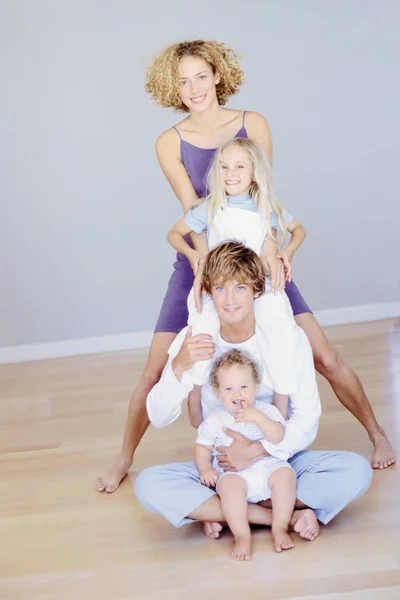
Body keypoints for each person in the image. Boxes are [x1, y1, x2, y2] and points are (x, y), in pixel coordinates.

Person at [96, 40, 394, 494]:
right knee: (157, 368)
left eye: (201, 76)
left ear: (217, 74)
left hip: (256, 264)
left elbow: (265, 199)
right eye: (182, 80)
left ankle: (377, 433)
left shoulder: (251, 123)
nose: (194, 88)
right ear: (171, 87)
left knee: (325, 358)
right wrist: (203, 267)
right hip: (201, 263)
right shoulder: (168, 142)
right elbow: (192, 209)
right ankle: (122, 459)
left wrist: (276, 254)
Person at [135, 242, 372, 543]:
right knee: (149, 485)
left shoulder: (288, 338)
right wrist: (179, 365)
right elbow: (157, 414)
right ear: (208, 292)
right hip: (223, 467)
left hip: (280, 461)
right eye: (220, 288)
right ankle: (278, 516)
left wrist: (258, 451)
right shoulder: (193, 339)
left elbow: (307, 419)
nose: (230, 300)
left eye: (240, 288)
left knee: (356, 471)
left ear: (256, 291)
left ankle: (224, 513)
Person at [167, 137, 306, 422]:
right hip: (220, 286)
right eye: (224, 167)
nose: (230, 174)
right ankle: (195, 393)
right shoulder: (210, 207)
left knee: (279, 325)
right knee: (203, 326)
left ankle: (282, 397)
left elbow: (299, 230)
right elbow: (173, 234)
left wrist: (286, 252)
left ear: (255, 173)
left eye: (239, 166)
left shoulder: (266, 207)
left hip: (257, 286)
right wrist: (194, 256)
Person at [196, 349, 299, 559]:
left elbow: (278, 435)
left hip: (266, 466)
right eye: (229, 389)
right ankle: (242, 535)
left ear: (255, 388)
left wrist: (258, 418)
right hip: (233, 474)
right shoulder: (215, 420)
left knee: (286, 476)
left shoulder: (266, 411)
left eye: (244, 387)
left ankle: (279, 527)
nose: (238, 394)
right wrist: (205, 468)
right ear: (218, 394)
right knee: (229, 488)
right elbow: (202, 446)